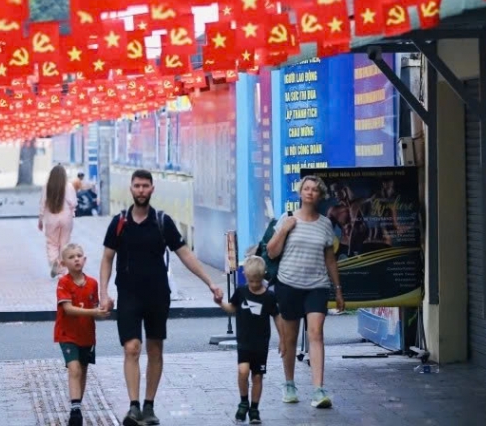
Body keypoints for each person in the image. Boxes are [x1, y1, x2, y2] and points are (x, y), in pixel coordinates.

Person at [100, 169, 224, 426]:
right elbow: (107, 257)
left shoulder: (162, 221)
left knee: (155, 348)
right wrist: (103, 292)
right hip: (128, 294)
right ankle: (133, 407)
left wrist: (210, 283)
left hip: (157, 295)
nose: (141, 190)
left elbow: (185, 254)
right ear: (131, 189)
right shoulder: (119, 222)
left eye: (146, 186)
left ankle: (149, 406)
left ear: (152, 189)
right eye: (137, 186)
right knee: (131, 347)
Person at [266, 175, 345, 409]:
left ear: (320, 195)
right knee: (289, 339)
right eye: (306, 189)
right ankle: (289, 384)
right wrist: (283, 231)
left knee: (316, 333)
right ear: (300, 193)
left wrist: (338, 289)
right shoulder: (287, 219)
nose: (310, 192)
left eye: (314, 190)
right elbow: (271, 252)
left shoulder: (325, 224)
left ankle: (319, 390)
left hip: (317, 286)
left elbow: (330, 258)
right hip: (289, 284)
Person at [217, 256, 279, 424]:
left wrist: (283, 340)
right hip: (244, 342)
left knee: (257, 377)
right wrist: (221, 303)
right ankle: (243, 401)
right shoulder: (241, 292)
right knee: (243, 371)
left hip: (261, 344)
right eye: (251, 281)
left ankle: (254, 409)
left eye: (257, 281)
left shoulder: (269, 297)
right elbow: (232, 308)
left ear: (263, 276)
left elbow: (277, 317)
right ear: (245, 276)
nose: (254, 285)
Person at [54, 243, 110, 426]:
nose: (76, 259)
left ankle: (77, 404)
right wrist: (94, 313)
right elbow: (68, 309)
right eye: (71, 257)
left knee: (83, 369)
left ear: (84, 259)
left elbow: (96, 309)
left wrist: (105, 309)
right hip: (67, 334)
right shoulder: (63, 282)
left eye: (79, 255)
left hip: (86, 335)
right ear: (64, 263)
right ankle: (75, 410)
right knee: (74, 368)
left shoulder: (93, 283)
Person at [39, 165, 78, 277]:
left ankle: (54, 262)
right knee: (64, 243)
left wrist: (40, 219)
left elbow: (42, 203)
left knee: (52, 242)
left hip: (51, 218)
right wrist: (72, 212)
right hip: (66, 218)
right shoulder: (69, 186)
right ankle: (62, 268)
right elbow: (73, 203)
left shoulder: (47, 186)